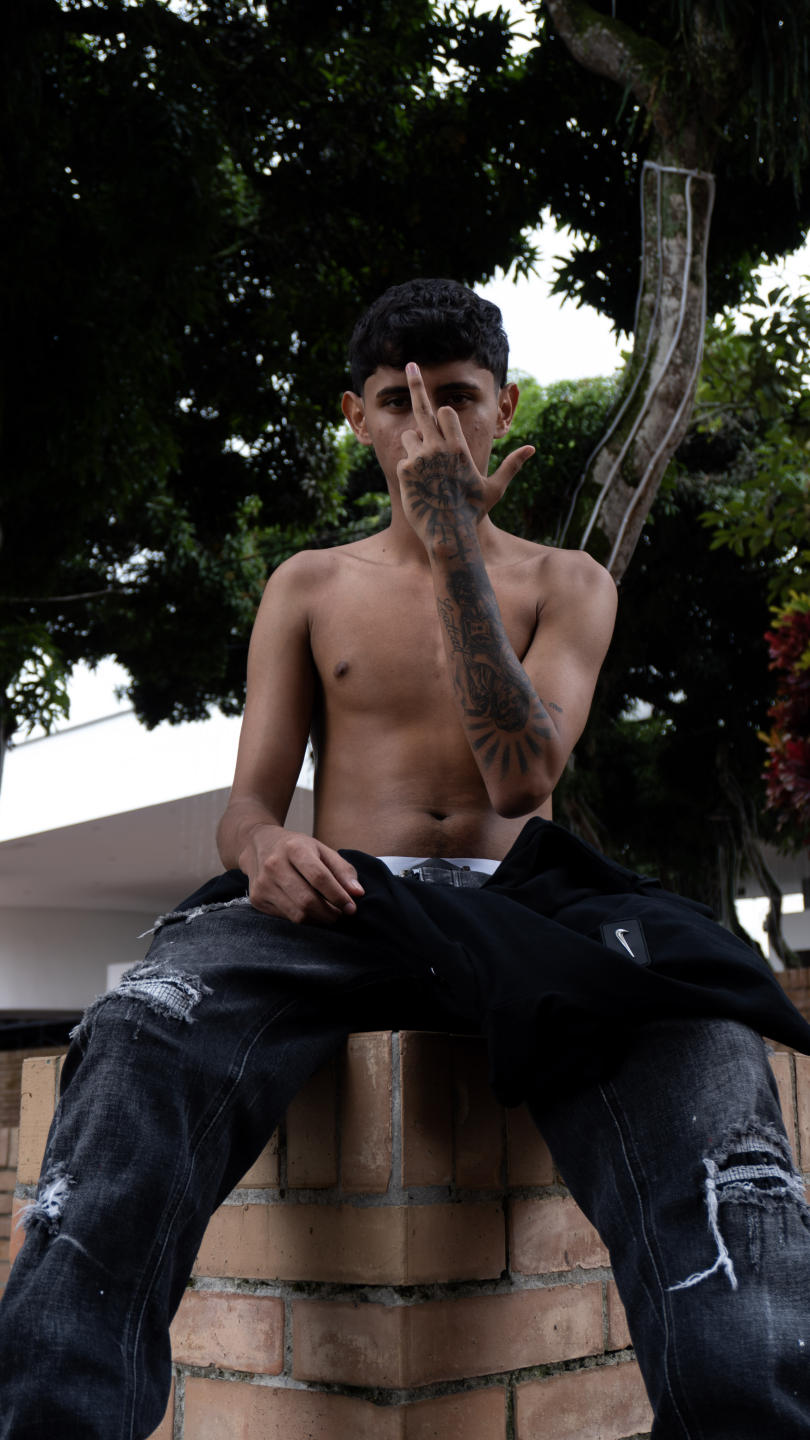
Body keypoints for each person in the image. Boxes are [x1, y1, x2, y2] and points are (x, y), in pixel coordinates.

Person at [2, 279, 810, 1438]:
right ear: (356, 417)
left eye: (458, 398)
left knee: (705, 1034)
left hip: (524, 907)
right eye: (396, 401)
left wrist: (454, 554)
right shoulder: (309, 584)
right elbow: (247, 806)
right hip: (348, 904)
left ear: (504, 408)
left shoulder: (568, 582)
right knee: (140, 1020)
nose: (427, 428)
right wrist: (267, 848)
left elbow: (520, 778)